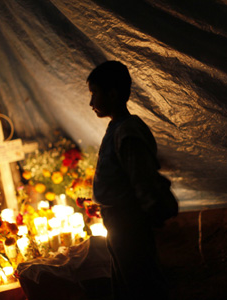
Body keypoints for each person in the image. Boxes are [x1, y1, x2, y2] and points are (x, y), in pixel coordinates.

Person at [88, 61, 176, 300]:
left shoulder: (127, 132)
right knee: (125, 279)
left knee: (140, 281)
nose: (91, 102)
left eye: (94, 93)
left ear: (113, 94)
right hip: (118, 220)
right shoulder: (117, 127)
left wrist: (147, 213)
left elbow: (141, 178)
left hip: (129, 221)